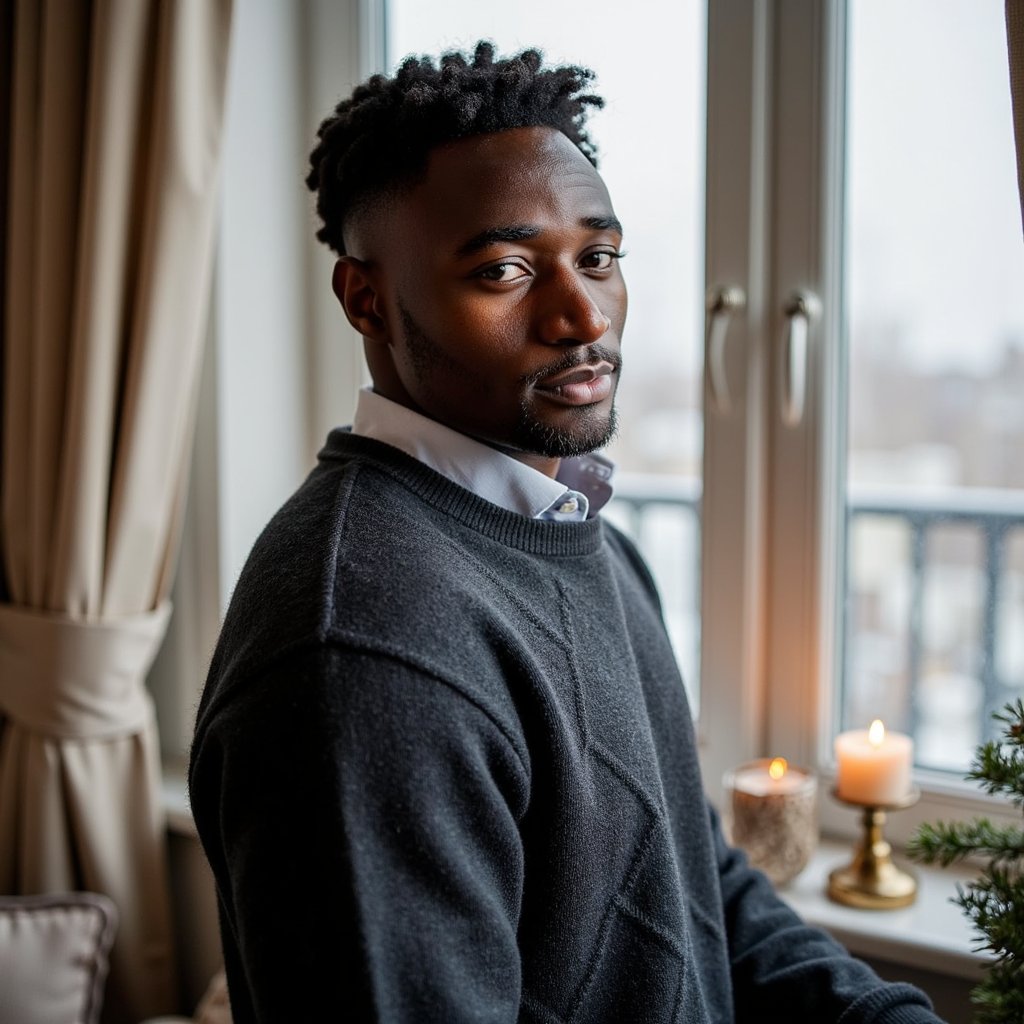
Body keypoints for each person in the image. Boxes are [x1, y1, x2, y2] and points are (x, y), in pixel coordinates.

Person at [188, 42, 944, 1023]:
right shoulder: (363, 650)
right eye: (504, 269)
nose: (582, 314)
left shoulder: (585, 534)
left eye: (597, 258)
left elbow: (696, 880)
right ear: (364, 298)